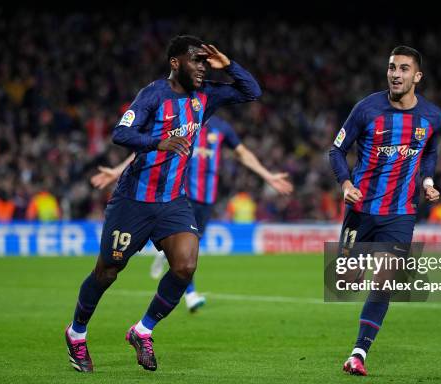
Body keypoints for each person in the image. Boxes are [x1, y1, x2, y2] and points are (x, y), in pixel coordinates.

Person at [65, 35, 261, 373]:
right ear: (175, 63)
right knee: (108, 271)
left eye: (204, 61)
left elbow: (251, 91)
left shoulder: (205, 96)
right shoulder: (152, 95)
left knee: (185, 267)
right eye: (195, 60)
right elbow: (121, 134)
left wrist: (228, 65)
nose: (202, 67)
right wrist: (159, 142)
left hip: (172, 201)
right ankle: (76, 333)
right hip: (134, 201)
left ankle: (142, 331)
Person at [91, 115, 293, 311]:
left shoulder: (221, 128)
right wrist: (118, 171)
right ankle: (191, 294)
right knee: (186, 249)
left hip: (207, 198)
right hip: (181, 196)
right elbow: (149, 150)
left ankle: (167, 259)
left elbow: (243, 153)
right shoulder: (183, 123)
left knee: (192, 246)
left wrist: (268, 176)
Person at [329, 46, 441, 376]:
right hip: (362, 209)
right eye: (392, 67)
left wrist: (428, 180)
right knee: (347, 280)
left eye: (404, 69)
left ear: (417, 77)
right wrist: (345, 184)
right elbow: (336, 150)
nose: (395, 73)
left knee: (386, 282)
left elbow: (430, 150)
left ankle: (358, 353)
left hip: (401, 212)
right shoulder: (367, 109)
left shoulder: (432, 116)